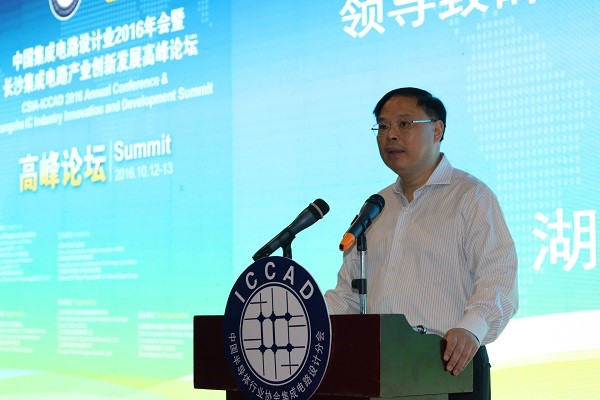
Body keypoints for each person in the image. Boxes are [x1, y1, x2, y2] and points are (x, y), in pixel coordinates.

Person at [324, 87, 518, 400]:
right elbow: (349, 294)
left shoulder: (470, 196)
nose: (391, 135)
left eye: (404, 124)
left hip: (449, 368)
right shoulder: (376, 207)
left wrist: (471, 328)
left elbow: (499, 276)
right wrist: (307, 321)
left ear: (437, 130)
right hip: (381, 373)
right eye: (383, 126)